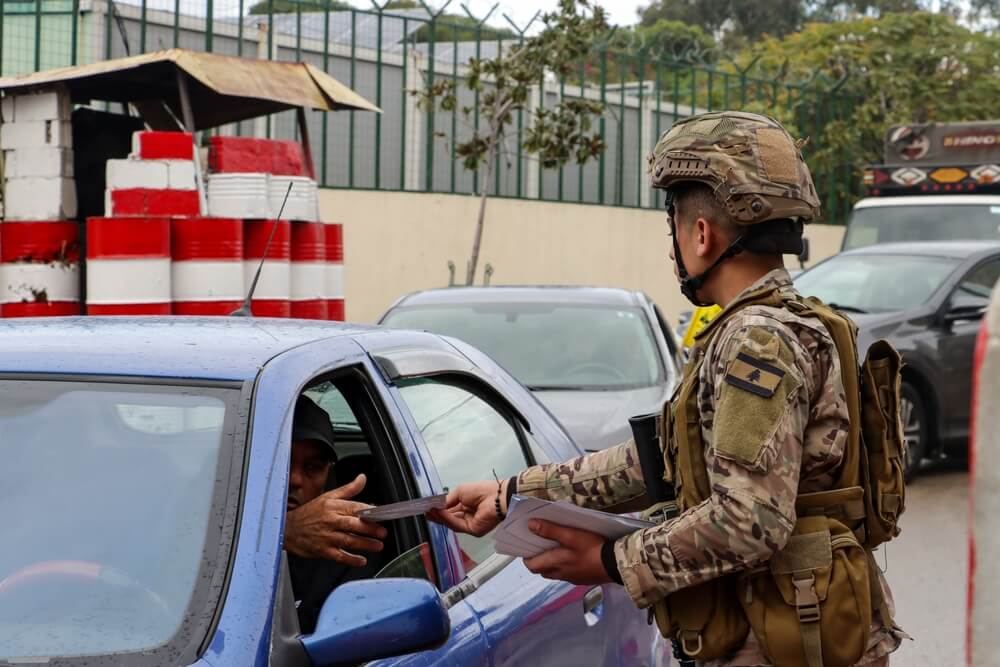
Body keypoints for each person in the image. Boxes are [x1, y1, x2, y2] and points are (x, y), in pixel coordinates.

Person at [431, 111, 906, 666]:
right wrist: (513, 493)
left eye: (676, 223)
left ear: (701, 235)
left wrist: (611, 560)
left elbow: (750, 521)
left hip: (779, 642)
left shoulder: (756, 342)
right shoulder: (803, 323)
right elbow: (663, 460)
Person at [283, 395, 388, 633]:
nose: (295, 479)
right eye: (282, 461)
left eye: (313, 467)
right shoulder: (207, 524)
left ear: (328, 476)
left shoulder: (351, 548)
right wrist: (283, 532)